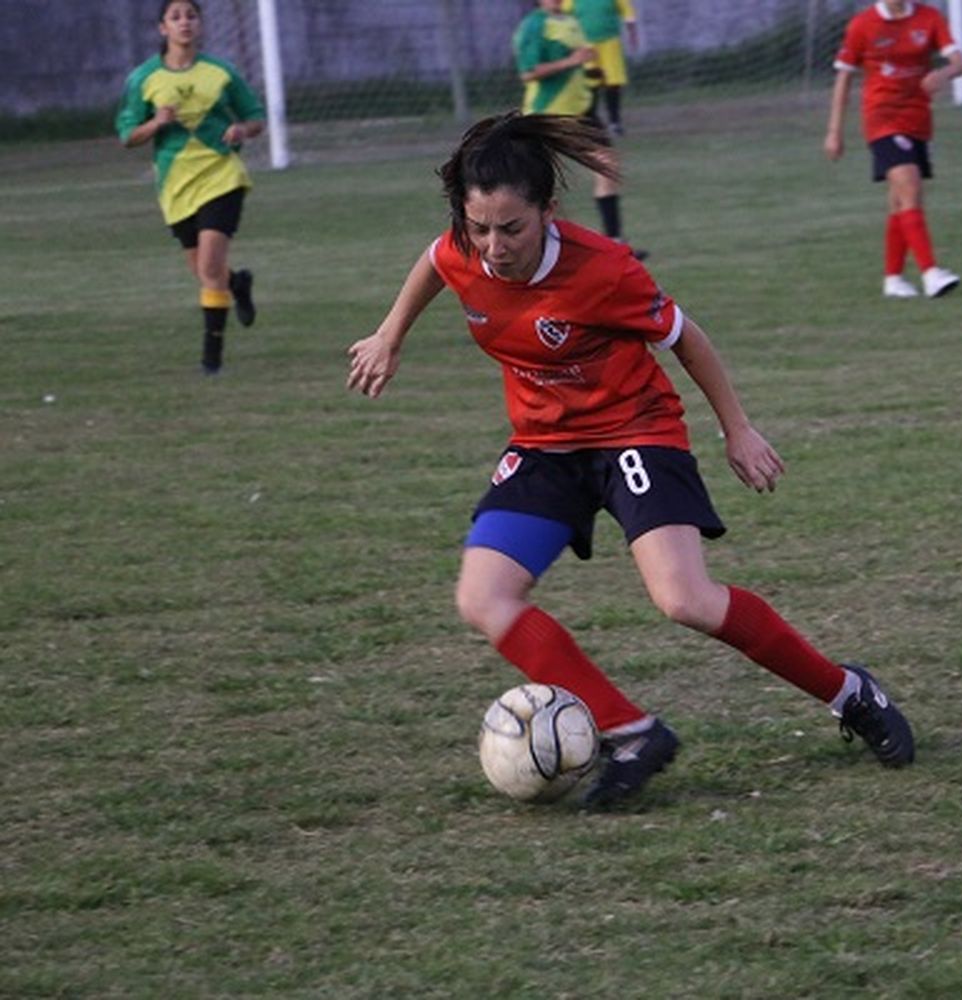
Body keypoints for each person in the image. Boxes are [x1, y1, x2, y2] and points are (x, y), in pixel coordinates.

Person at [346, 113, 915, 808]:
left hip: (635, 432)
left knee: (685, 600)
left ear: (548, 212)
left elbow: (688, 339)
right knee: (482, 597)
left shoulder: (604, 269)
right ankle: (632, 731)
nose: (493, 247)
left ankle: (849, 692)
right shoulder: (464, 250)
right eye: (480, 228)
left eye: (512, 229)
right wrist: (389, 334)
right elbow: (436, 261)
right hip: (545, 447)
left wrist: (737, 429)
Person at [116, 0, 263, 375]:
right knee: (205, 273)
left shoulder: (221, 72)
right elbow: (127, 135)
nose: (185, 23)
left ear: (200, 25)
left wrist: (241, 130)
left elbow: (256, 117)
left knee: (211, 265)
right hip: (176, 185)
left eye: (191, 16)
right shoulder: (144, 79)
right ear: (162, 28)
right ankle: (238, 284)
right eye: (176, 16)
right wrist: (157, 123)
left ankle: (211, 361)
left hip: (221, 176)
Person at [824, 1, 962, 300]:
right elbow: (844, 79)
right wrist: (834, 131)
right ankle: (931, 273)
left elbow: (960, 61)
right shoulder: (862, 25)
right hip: (882, 119)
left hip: (918, 120)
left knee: (901, 199)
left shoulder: (929, 17)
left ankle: (893, 279)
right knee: (909, 186)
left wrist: (944, 74)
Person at [513, 0, 639, 256]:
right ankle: (539, 247)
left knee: (607, 166)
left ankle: (615, 242)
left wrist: (592, 74)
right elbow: (528, 72)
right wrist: (571, 62)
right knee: (537, 185)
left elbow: (581, 63)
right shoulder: (534, 26)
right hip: (548, 115)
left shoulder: (571, 22)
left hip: (582, 110)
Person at [562, 0, 638, 136]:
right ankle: (590, 122)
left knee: (613, 83)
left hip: (610, 42)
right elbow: (563, 14)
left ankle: (615, 123)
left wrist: (632, 33)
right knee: (590, 83)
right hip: (586, 44)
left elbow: (627, 11)